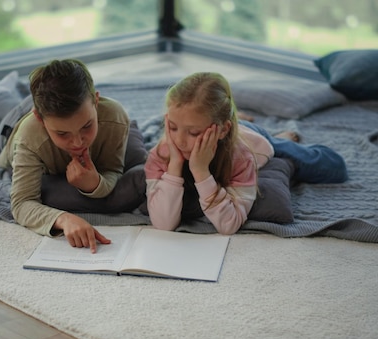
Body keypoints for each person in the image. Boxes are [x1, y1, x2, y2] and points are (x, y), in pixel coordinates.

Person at [144, 72, 347, 235]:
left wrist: (200, 171)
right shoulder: (162, 154)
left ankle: (279, 137)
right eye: (171, 127)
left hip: (254, 140)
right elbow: (163, 225)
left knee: (325, 166)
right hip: (230, 127)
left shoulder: (243, 156)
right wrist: (174, 166)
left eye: (194, 132)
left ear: (222, 130)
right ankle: (236, 118)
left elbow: (228, 225)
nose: (179, 141)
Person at [0, 59, 142, 253]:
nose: (77, 143)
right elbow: (22, 203)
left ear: (96, 101)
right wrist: (63, 219)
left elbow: (113, 169)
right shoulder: (28, 137)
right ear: (41, 119)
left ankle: (10, 91)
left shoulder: (115, 116)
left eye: (87, 126)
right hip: (12, 129)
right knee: (10, 110)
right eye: (62, 134)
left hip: (45, 111)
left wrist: (94, 185)